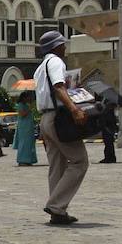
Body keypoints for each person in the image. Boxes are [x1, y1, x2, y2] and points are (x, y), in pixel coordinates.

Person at [35, 31, 88, 224]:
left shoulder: (41, 67)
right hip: (58, 118)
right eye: (62, 44)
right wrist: (74, 109)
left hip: (45, 117)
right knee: (79, 161)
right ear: (55, 47)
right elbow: (58, 88)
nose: (65, 47)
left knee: (56, 165)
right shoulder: (56, 62)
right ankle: (56, 205)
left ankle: (58, 212)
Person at [14, 92, 38, 166]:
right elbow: (22, 114)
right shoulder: (20, 105)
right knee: (24, 142)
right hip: (23, 127)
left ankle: (29, 159)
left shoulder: (26, 105)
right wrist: (29, 109)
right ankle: (22, 159)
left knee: (29, 143)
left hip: (29, 126)